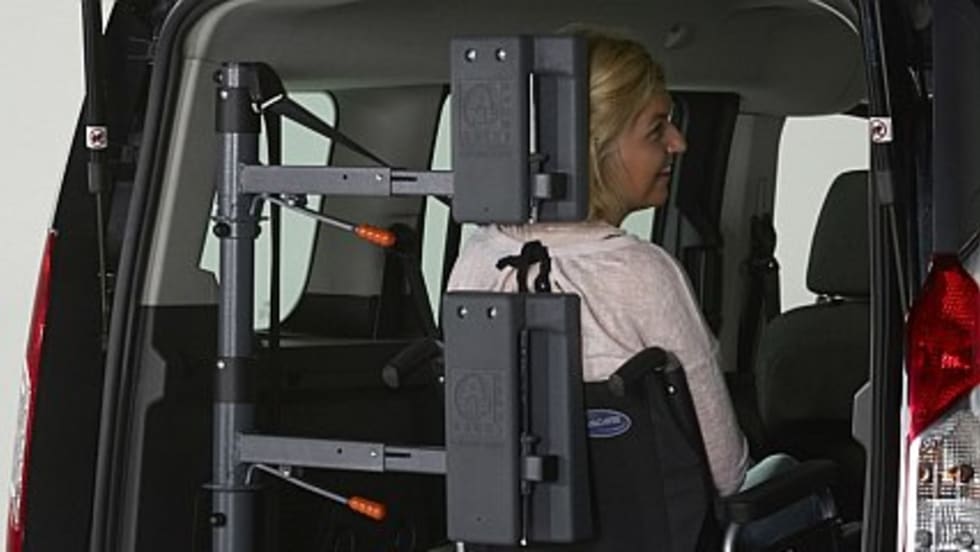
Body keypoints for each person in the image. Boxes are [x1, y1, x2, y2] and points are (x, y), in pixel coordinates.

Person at [447, 28, 825, 548]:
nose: (679, 143)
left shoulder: (476, 262)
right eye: (656, 129)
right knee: (798, 482)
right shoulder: (643, 274)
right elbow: (726, 472)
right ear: (595, 149)